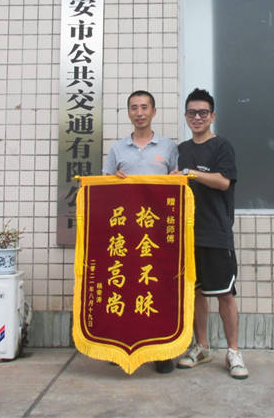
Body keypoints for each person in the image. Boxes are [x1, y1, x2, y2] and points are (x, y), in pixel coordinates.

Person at [173, 88, 248, 380]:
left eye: (203, 112)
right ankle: (201, 347)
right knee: (195, 294)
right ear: (185, 116)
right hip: (186, 235)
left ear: (212, 116)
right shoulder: (180, 150)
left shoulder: (222, 147)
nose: (197, 117)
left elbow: (223, 181)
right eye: (192, 113)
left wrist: (190, 173)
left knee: (224, 294)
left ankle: (234, 351)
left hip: (216, 233)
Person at [102, 89, 178, 373]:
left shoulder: (169, 147)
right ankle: (118, 345)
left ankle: (161, 352)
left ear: (154, 112)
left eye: (144, 107)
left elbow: (179, 185)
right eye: (134, 108)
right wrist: (114, 180)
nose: (139, 113)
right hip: (126, 235)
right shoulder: (117, 149)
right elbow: (104, 187)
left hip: (158, 236)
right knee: (123, 287)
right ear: (128, 113)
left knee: (158, 289)